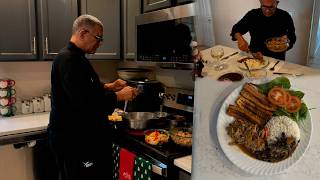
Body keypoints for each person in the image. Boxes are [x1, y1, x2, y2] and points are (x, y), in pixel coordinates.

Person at [48, 14, 138, 180]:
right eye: (98, 38)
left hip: (76, 138)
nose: (100, 43)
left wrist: (109, 86)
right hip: (74, 141)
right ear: (83, 33)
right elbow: (85, 102)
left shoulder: (74, 57)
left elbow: (83, 88)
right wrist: (119, 95)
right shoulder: (69, 60)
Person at [230, 0, 296, 60]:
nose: (267, 10)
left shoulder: (285, 16)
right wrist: (240, 38)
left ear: (277, 3)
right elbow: (236, 29)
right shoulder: (252, 15)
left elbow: (292, 37)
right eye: (264, 6)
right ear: (260, 2)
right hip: (254, 56)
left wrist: (287, 41)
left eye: (271, 7)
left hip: (276, 59)